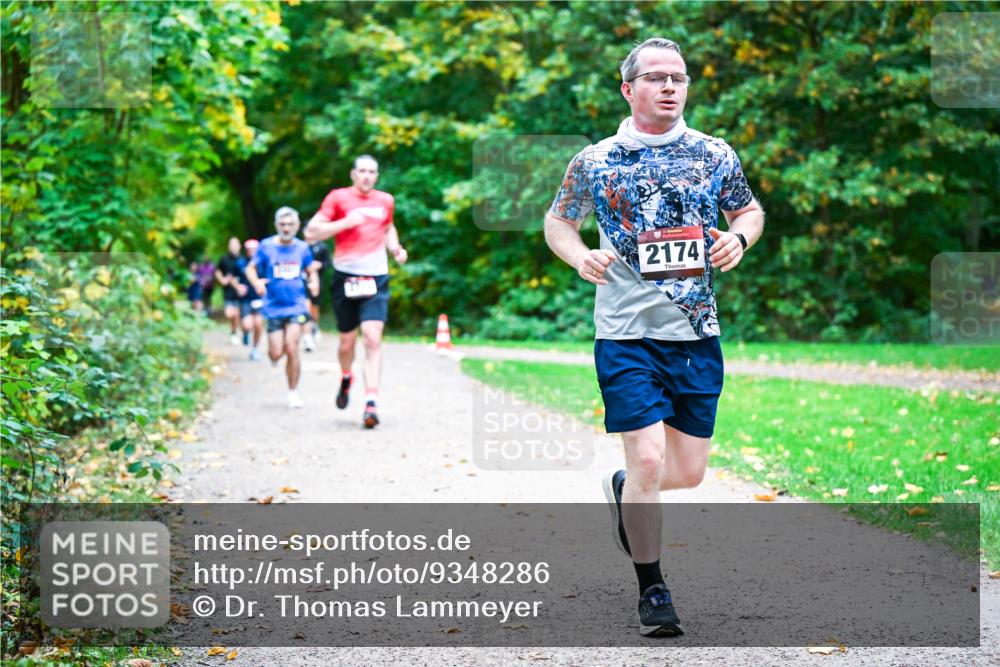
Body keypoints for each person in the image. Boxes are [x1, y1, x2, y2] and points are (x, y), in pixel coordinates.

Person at [543, 37, 765, 637]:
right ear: (629, 88)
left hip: (694, 333)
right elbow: (558, 219)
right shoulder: (597, 160)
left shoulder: (713, 154)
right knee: (647, 456)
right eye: (656, 77)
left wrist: (738, 239)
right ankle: (653, 589)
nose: (670, 86)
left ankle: (628, 489)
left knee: (685, 472)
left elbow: (748, 211)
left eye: (680, 77)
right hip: (624, 333)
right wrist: (576, 254)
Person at [304, 155, 408, 429]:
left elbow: (388, 227)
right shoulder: (338, 198)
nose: (366, 176)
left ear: (376, 175)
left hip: (376, 276)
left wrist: (395, 248)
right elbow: (312, 230)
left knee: (373, 338)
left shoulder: (385, 200)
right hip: (346, 276)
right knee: (347, 343)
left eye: (372, 172)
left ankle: (371, 403)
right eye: (362, 171)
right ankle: (347, 376)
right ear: (353, 174)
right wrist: (344, 223)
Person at [245, 208, 320, 408]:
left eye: (290, 224)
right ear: (277, 225)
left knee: (292, 346)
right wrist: (257, 283)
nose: (286, 228)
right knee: (276, 353)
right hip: (274, 306)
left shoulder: (302, 248)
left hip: (296, 305)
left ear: (296, 226)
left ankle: (293, 392)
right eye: (283, 224)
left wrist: (314, 282)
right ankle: (275, 357)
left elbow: (310, 269)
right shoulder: (266, 246)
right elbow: (250, 268)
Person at [216, 237, 247, 345]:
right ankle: (235, 331)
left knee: (238, 314)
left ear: (239, 246)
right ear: (229, 246)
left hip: (240, 291)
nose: (234, 247)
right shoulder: (224, 259)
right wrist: (222, 280)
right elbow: (218, 271)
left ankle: (235, 333)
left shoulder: (243, 259)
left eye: (235, 245)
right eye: (231, 245)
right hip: (228, 291)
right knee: (230, 314)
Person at [302, 239, 331, 352]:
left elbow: (328, 263)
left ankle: (315, 325)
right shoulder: (300, 246)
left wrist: (319, 265)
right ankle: (307, 338)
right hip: (301, 283)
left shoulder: (322, 246)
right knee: (306, 309)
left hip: (316, 281)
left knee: (314, 308)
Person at [239, 238, 265, 359]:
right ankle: (245, 333)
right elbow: (234, 278)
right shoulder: (241, 263)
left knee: (259, 324)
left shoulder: (263, 263)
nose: (252, 251)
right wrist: (238, 286)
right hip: (246, 299)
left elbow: (270, 277)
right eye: (250, 249)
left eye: (254, 249)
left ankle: (255, 349)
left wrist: (263, 283)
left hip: (259, 298)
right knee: (247, 325)